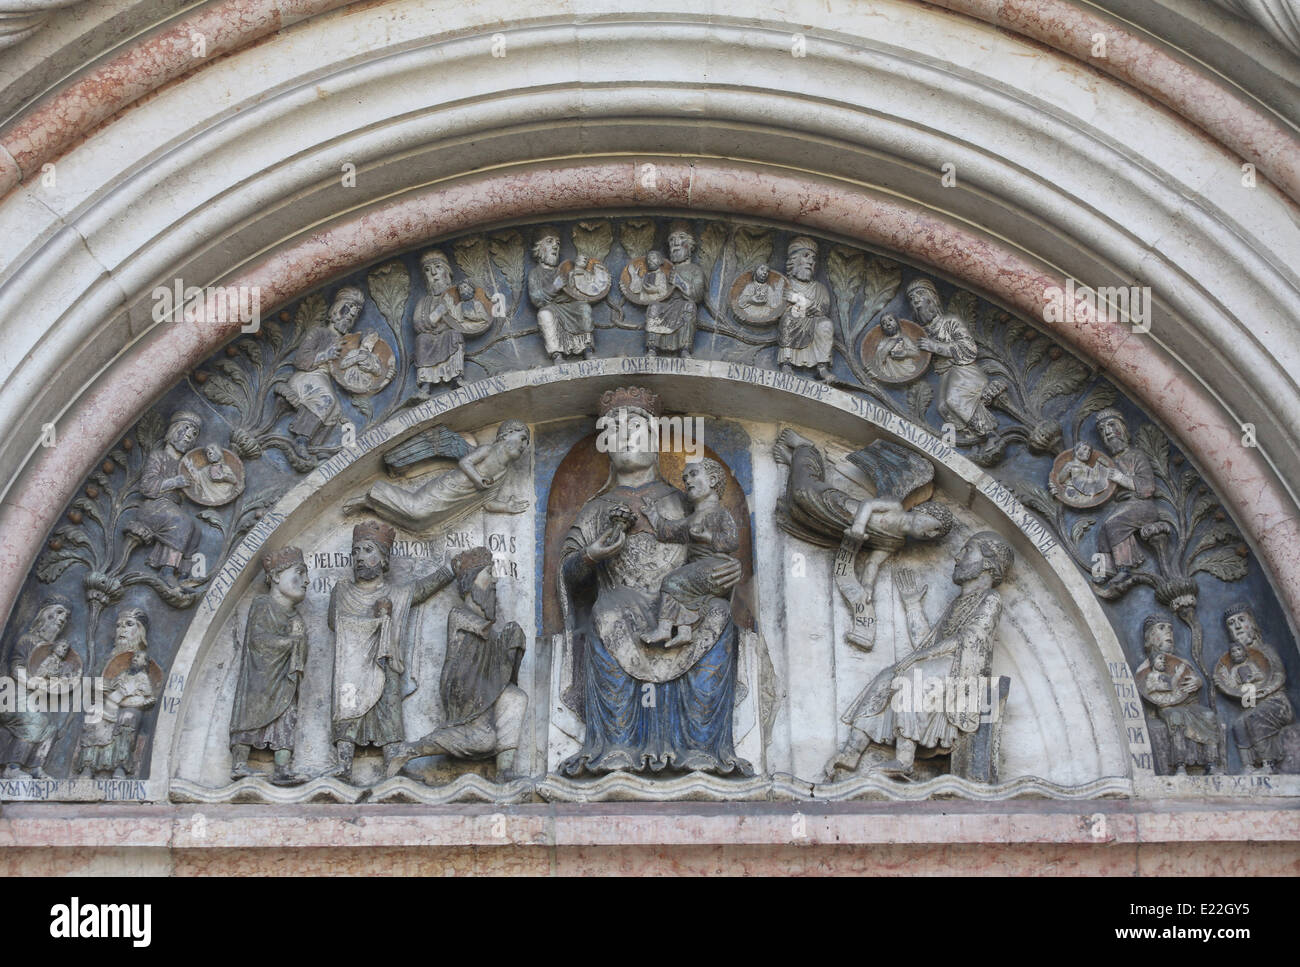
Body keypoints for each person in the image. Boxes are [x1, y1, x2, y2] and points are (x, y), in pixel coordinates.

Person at [556, 386, 750, 776]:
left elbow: (709, 555)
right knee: (606, 613)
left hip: (681, 600)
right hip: (621, 601)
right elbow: (569, 575)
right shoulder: (595, 509)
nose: (626, 439)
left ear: (655, 441)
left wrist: (727, 574)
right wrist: (592, 554)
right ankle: (618, 746)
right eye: (615, 433)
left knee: (718, 615)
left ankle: (701, 748)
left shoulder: (685, 502)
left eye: (636, 430)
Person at [825, 532, 1014, 780]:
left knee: (912, 678)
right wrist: (913, 605)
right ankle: (852, 751)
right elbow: (927, 643)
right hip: (944, 663)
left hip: (963, 669)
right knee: (887, 676)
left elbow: (970, 638)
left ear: (988, 563)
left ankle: (904, 760)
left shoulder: (991, 599)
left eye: (968, 550)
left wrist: (917, 658)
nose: (958, 557)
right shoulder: (957, 603)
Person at [326, 520, 457, 783]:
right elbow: (333, 622)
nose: (359, 557)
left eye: (368, 550)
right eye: (355, 551)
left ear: (384, 559)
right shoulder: (342, 591)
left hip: (385, 662)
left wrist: (450, 570)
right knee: (348, 708)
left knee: (389, 709)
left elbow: (421, 589)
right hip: (350, 666)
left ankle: (394, 764)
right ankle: (343, 765)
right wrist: (376, 621)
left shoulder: (396, 593)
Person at [384, 547, 527, 779]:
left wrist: (512, 643)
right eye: (488, 573)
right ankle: (411, 750)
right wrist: (507, 635)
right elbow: (483, 631)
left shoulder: (486, 626)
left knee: (515, 697)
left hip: (484, 684)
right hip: (464, 686)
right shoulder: (459, 615)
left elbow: (500, 660)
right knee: (483, 739)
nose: (494, 581)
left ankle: (505, 769)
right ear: (471, 581)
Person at [344, 420, 530, 531]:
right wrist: (478, 479)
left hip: (456, 502)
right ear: (506, 434)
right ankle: (375, 493)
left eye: (527, 443)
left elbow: (487, 502)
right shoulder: (487, 450)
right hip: (447, 488)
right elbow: (465, 462)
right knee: (415, 508)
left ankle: (372, 504)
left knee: (419, 524)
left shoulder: (503, 472)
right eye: (522, 438)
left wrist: (506, 507)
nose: (524, 445)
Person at [229, 546, 310, 785]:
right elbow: (258, 640)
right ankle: (240, 763)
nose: (306, 580)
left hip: (285, 679)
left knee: (287, 715)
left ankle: (282, 767)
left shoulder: (296, 617)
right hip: (260, 678)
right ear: (275, 576)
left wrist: (299, 642)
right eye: (300, 572)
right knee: (251, 712)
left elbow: (301, 653)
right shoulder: (263, 604)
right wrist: (293, 641)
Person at [640, 458, 740, 649]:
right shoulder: (692, 518)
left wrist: (707, 537)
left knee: (671, 582)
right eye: (685, 478)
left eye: (693, 474)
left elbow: (732, 541)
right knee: (683, 590)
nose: (688, 481)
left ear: (712, 480)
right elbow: (668, 530)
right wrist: (653, 515)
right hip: (699, 570)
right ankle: (685, 632)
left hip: (716, 568)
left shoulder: (720, 513)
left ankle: (664, 628)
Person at [907, 278, 998, 438]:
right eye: (911, 298)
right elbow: (918, 358)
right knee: (943, 407)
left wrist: (935, 346)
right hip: (945, 374)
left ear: (932, 298)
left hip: (963, 370)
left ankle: (989, 433)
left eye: (920, 294)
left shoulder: (950, 322)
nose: (915, 299)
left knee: (954, 400)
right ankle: (973, 435)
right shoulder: (921, 332)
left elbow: (968, 347)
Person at [1135, 615, 1221, 774]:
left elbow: (1193, 679)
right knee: (1176, 717)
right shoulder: (1145, 668)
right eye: (1161, 628)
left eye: (1170, 629)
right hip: (1167, 707)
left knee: (1208, 715)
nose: (1168, 632)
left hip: (1189, 705)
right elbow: (1146, 690)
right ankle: (1180, 765)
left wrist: (1197, 682)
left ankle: (1212, 763)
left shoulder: (1183, 663)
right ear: (1150, 637)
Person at [279, 286, 363, 447]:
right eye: (348, 308)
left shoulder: (347, 344)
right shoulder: (319, 333)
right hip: (307, 376)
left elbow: (346, 373)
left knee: (336, 409)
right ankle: (301, 440)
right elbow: (300, 359)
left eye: (356, 313)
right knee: (326, 399)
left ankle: (315, 447)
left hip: (323, 380)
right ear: (336, 310)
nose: (351, 315)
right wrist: (325, 355)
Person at [1214, 603, 1294, 773]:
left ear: (1252, 624)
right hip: (1254, 703)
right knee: (1239, 724)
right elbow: (1245, 698)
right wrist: (1225, 684)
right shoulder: (1235, 665)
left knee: (1255, 717)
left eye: (1241, 620)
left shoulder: (1266, 650)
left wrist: (1266, 690)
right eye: (1231, 623)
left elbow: (1279, 675)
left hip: (1277, 703)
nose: (1237, 626)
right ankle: (1248, 766)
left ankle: (1268, 763)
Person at [0, 599, 72, 780]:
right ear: (45, 614)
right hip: (14, 694)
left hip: (35, 697)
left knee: (51, 727)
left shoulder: (52, 652)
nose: (62, 619)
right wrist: (33, 683)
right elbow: (16, 667)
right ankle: (12, 767)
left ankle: (34, 766)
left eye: (65, 617)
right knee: (35, 721)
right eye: (59, 612)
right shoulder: (28, 640)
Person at [126, 410, 202, 579]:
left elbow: (191, 493)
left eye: (194, 433)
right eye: (186, 428)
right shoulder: (158, 456)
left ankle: (183, 574)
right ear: (173, 430)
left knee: (196, 530)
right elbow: (146, 486)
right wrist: (175, 482)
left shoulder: (184, 466)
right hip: (153, 507)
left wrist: (195, 481)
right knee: (182, 521)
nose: (189, 436)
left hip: (170, 507)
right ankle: (167, 571)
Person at [1092, 409, 1162, 582]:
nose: (1107, 432)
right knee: (1103, 528)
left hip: (1143, 506)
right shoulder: (1110, 463)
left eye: (1111, 426)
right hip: (1126, 506)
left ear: (1122, 429)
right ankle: (1104, 571)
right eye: (1102, 430)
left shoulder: (1136, 455)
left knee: (1113, 523)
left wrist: (1121, 478)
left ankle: (1124, 569)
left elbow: (1147, 488)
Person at [412, 251, 489, 398]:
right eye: (428, 270)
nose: (433, 273)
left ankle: (456, 378)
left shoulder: (456, 295)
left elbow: (463, 319)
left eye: (438, 267)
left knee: (454, 335)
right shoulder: (424, 301)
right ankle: (425, 386)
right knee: (421, 340)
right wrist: (437, 314)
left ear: (447, 272)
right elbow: (417, 323)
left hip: (449, 334)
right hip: (430, 335)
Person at [75, 648, 157, 779]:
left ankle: (120, 767)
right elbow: (112, 687)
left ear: (145, 663)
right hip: (114, 704)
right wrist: (104, 688)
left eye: (139, 657)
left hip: (130, 707)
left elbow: (146, 696)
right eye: (134, 656)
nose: (135, 658)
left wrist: (132, 699)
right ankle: (88, 766)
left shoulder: (143, 678)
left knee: (127, 718)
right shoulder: (123, 674)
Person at [528, 227, 595, 361]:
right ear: (538, 249)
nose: (555, 246)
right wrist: (554, 287)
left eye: (557, 243)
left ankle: (587, 349)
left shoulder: (564, 269)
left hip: (570, 306)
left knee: (584, 308)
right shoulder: (535, 274)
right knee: (544, 315)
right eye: (549, 241)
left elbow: (576, 289)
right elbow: (536, 298)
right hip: (552, 308)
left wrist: (578, 268)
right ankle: (557, 355)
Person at [777, 237, 834, 381]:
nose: (810, 261)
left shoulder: (819, 288)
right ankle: (786, 362)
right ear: (793, 260)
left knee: (826, 324)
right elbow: (777, 305)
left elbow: (822, 309)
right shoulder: (786, 284)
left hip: (814, 320)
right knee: (790, 318)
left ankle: (822, 367)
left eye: (813, 258)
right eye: (806, 256)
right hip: (794, 318)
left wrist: (799, 299)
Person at [643, 226, 706, 356]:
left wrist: (680, 282)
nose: (676, 242)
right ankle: (652, 348)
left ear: (690, 246)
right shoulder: (665, 268)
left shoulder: (695, 270)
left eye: (681, 237)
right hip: (665, 304)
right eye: (672, 239)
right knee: (654, 308)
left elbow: (698, 295)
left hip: (682, 304)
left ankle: (685, 349)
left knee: (689, 307)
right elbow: (654, 288)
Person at [871, 314, 923, 381]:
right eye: (884, 323)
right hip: (890, 372)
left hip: (906, 369)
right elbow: (879, 359)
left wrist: (905, 353)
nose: (888, 324)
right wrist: (888, 347)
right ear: (882, 329)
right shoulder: (883, 342)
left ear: (897, 322)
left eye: (890, 320)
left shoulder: (904, 338)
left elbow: (916, 353)